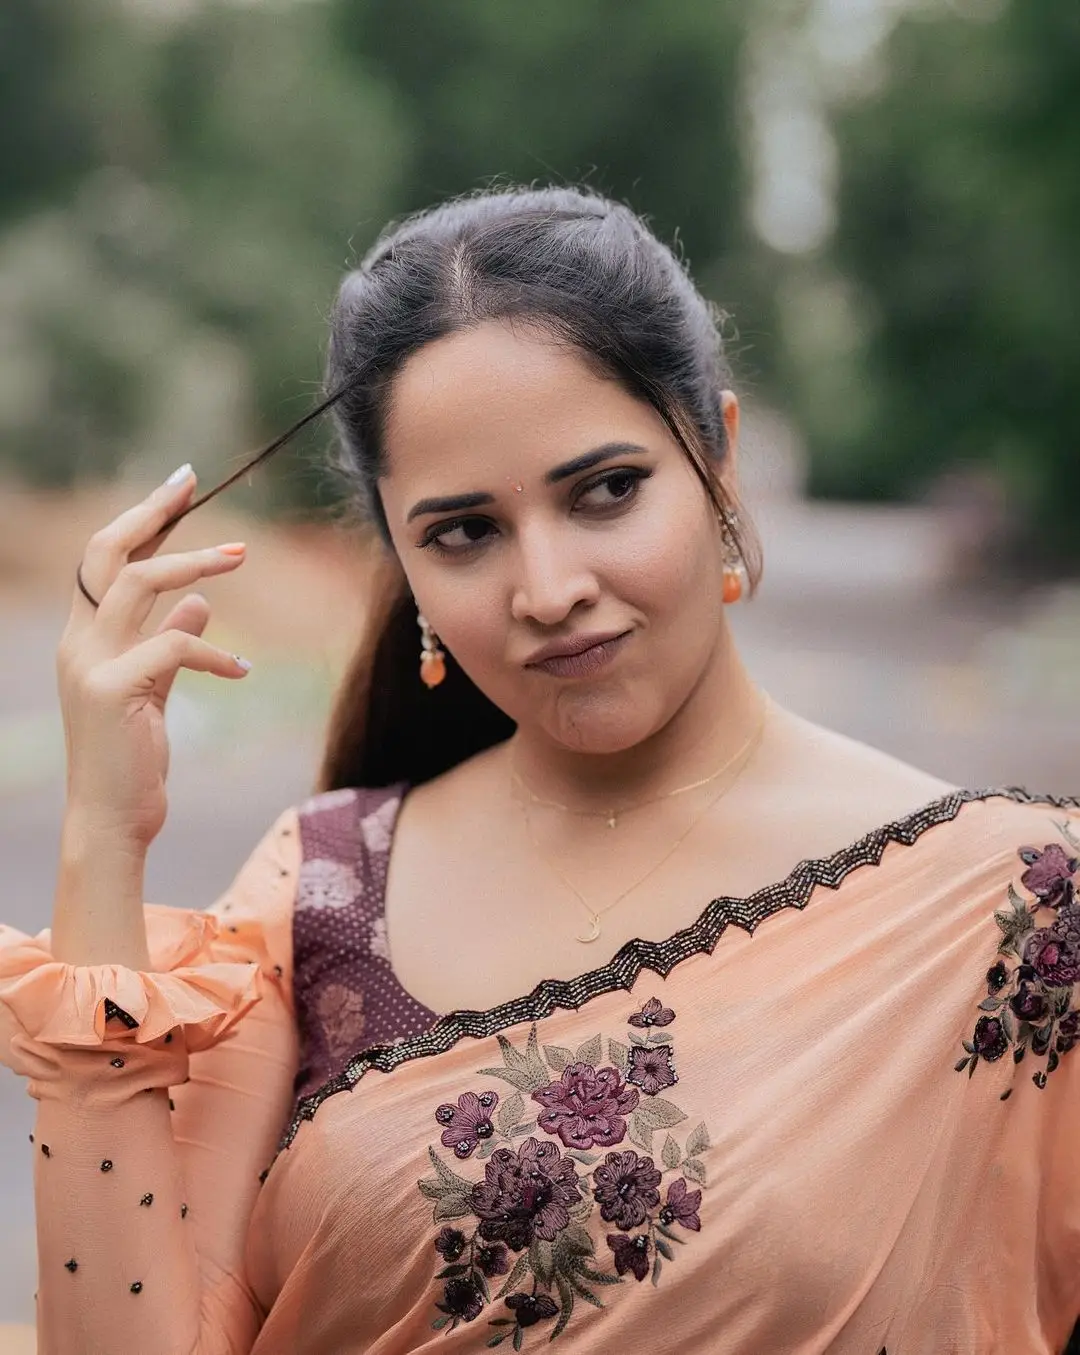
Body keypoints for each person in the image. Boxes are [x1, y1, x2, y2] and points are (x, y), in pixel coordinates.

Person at [0, 184, 1077, 1355]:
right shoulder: (321, 892)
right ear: (403, 558)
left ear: (718, 459)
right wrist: (102, 837)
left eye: (606, 490)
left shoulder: (1008, 904)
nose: (549, 585)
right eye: (465, 530)